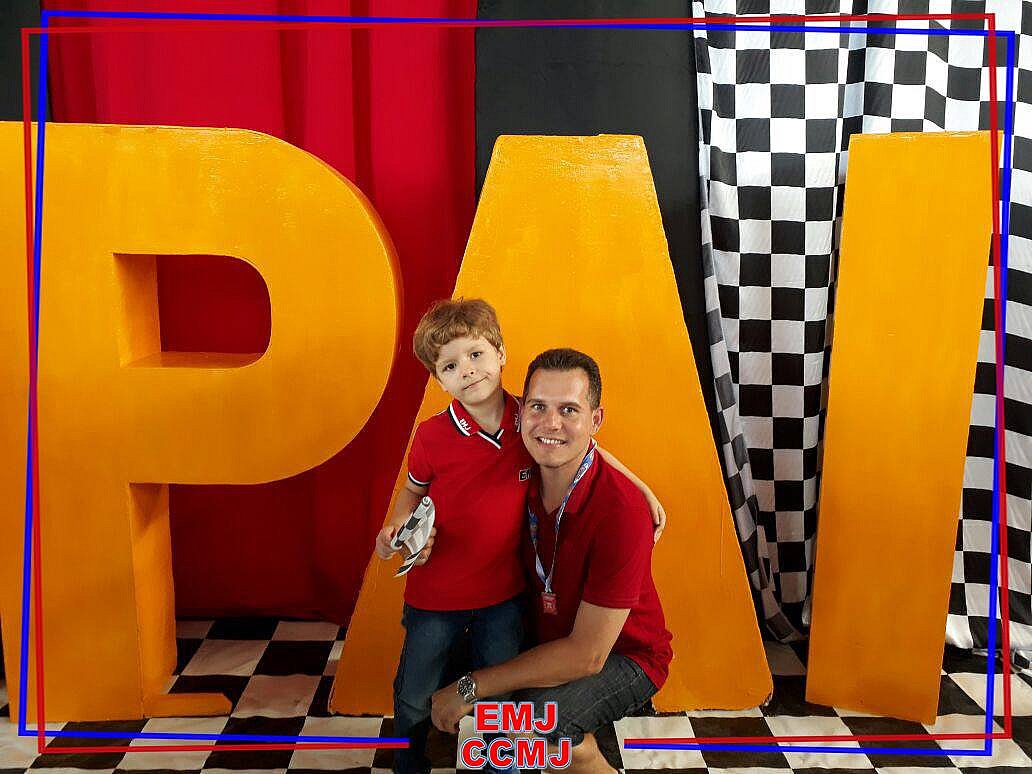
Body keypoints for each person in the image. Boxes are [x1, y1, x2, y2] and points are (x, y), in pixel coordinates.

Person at [375, 301, 665, 774]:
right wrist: (401, 533)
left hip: (597, 646)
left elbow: (588, 655)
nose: (550, 423)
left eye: (476, 356)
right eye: (450, 365)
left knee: (524, 717)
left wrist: (640, 489)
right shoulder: (509, 448)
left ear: (500, 355)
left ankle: (578, 754)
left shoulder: (610, 503)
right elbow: (415, 490)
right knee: (424, 690)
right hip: (462, 602)